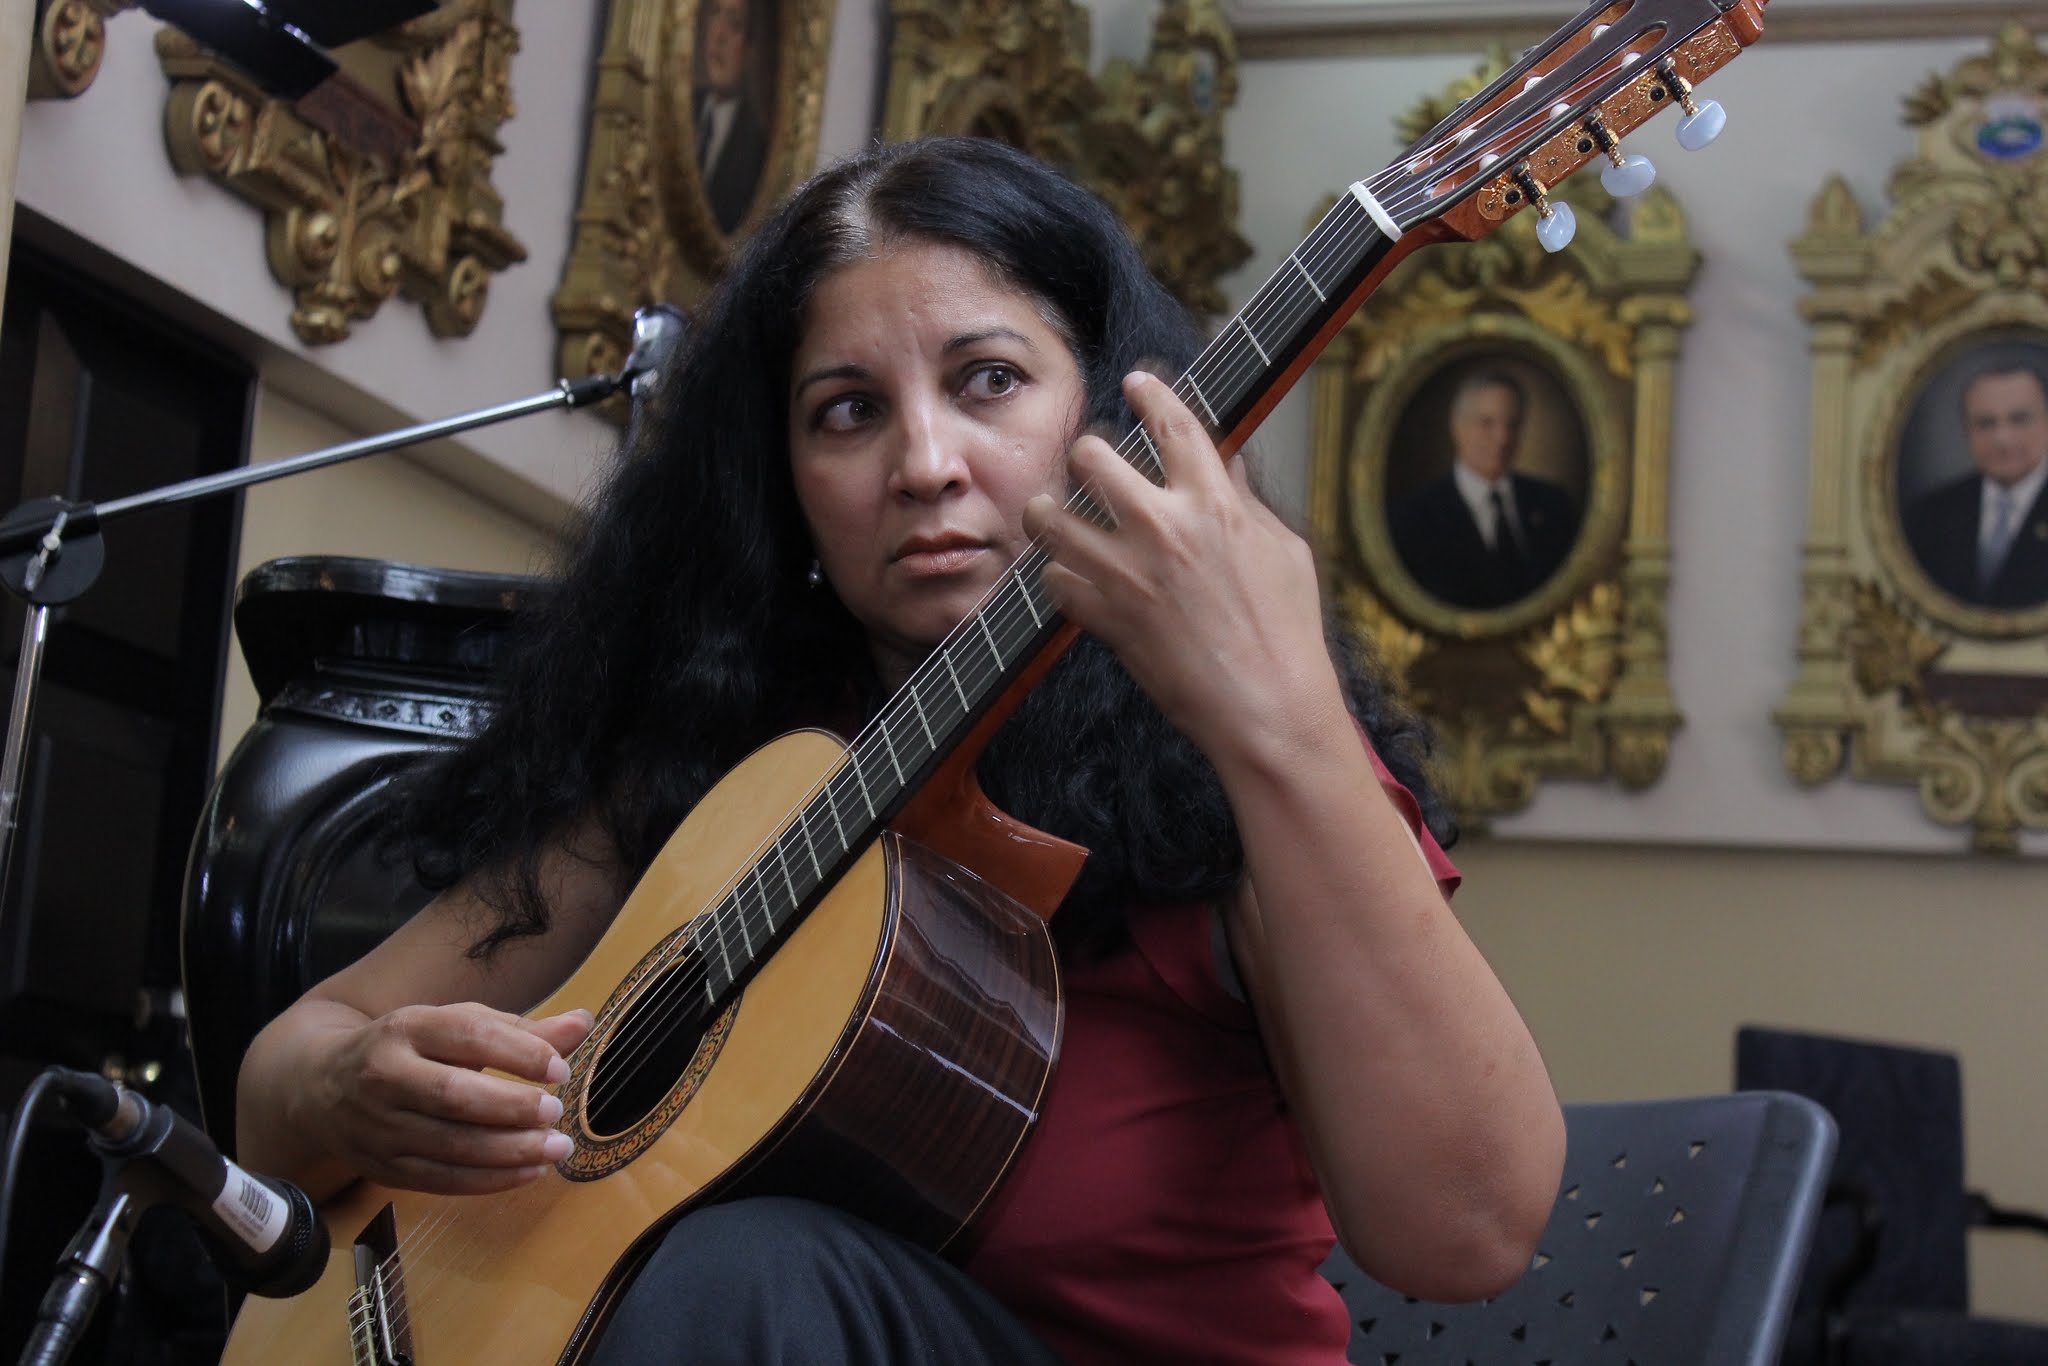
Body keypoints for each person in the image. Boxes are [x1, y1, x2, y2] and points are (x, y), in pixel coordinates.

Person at [234, 137, 1563, 1365]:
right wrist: (352, 1085)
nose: (924, 462)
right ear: (784, 483)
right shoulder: (717, 783)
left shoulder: (1244, 773)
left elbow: (1469, 1231)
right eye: (847, 410)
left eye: (989, 381)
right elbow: (286, 1072)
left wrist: (1281, 718)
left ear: (1105, 412)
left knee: (748, 1270)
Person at [1388, 368, 1581, 610]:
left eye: (1512, 425)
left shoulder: (1554, 505)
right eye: (1487, 423)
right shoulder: (1412, 519)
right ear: (1458, 427)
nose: (1503, 438)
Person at [1901, 361, 2048, 611]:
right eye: (1986, 423)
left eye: (2019, 419)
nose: (2002, 439)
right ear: (1967, 430)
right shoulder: (1930, 515)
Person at [692, 0, 770, 235]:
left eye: (735, 24)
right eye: (715, 14)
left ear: (750, 50)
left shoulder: (759, 144)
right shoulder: (684, 109)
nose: (719, 35)